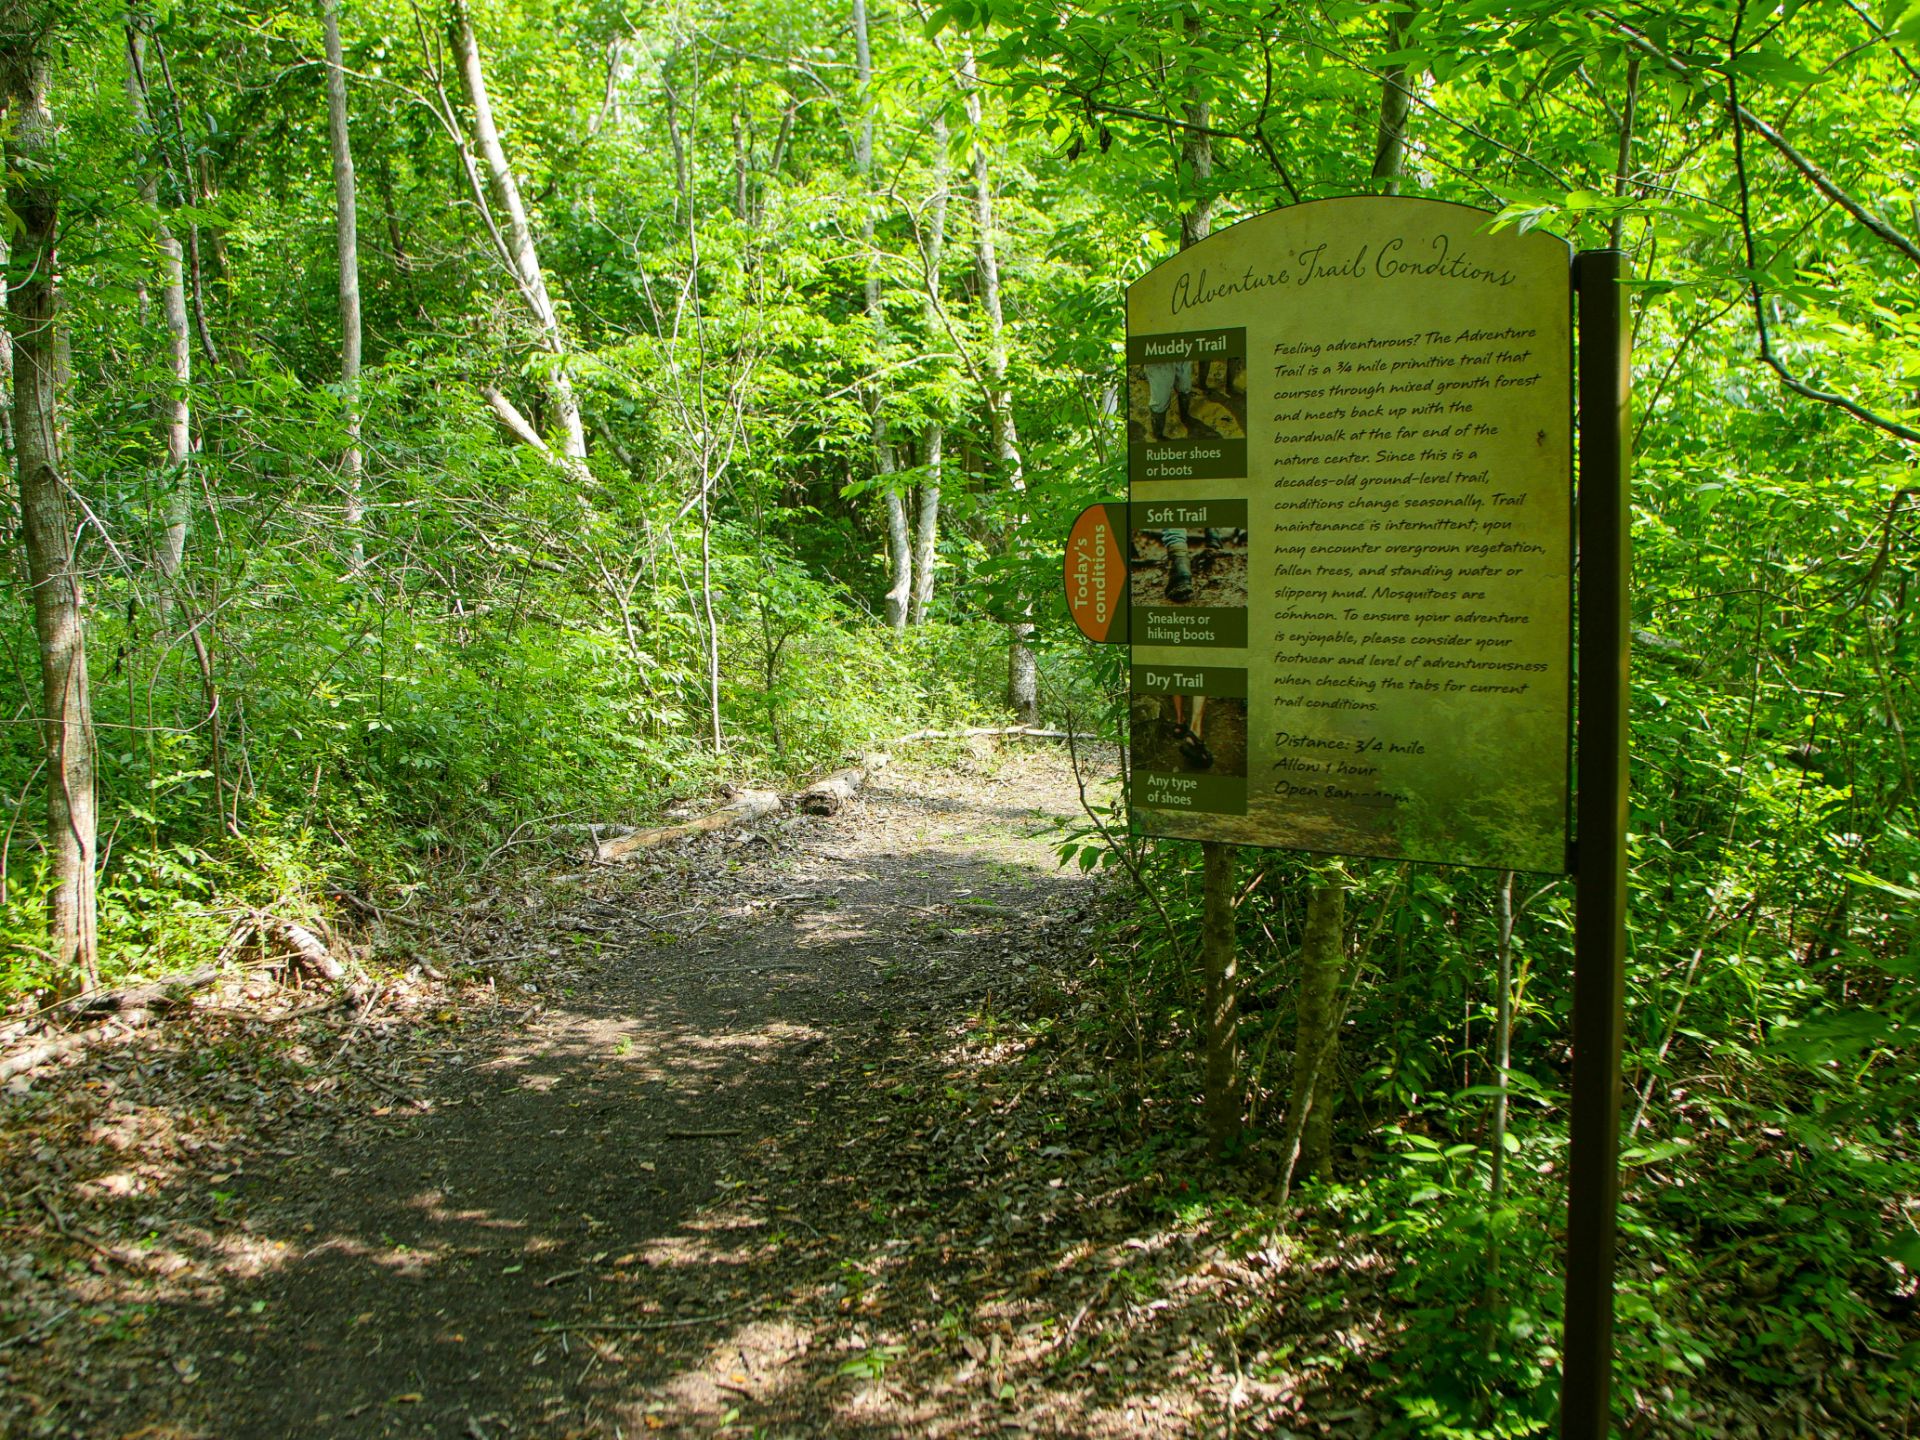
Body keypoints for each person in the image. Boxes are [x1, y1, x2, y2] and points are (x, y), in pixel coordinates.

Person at [1142, 359, 1192, 441]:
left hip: (1182, 350)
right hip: (1157, 357)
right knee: (1160, 400)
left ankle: (1185, 417)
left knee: (1185, 385)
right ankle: (1158, 435)